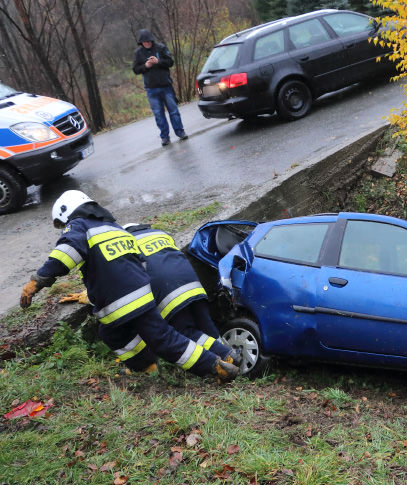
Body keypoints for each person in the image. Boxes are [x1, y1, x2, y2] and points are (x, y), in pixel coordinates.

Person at [19, 190, 238, 383]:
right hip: (141, 295)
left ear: (68, 212)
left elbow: (65, 254)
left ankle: (214, 367)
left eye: (62, 223)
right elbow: (139, 262)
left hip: (120, 303)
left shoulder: (80, 225)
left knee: (163, 340)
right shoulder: (114, 228)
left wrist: (36, 282)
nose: (64, 228)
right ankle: (147, 365)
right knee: (115, 333)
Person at [122, 223, 242, 367]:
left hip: (169, 291)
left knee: (186, 332)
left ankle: (226, 356)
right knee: (206, 325)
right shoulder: (159, 233)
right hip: (193, 284)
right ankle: (229, 356)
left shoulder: (126, 245)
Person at [132, 29, 187, 146]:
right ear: (141, 43)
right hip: (151, 89)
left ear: (151, 40)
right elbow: (136, 70)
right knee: (158, 114)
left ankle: (180, 132)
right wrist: (146, 66)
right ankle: (165, 137)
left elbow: (170, 62)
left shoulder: (161, 48)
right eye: (144, 42)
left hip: (166, 86)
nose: (146, 43)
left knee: (174, 111)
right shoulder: (138, 53)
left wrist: (158, 61)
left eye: (148, 41)